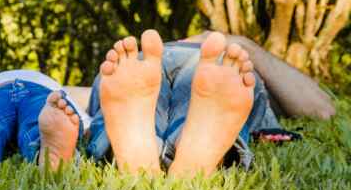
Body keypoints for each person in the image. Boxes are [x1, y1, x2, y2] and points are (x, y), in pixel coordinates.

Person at [86, 29, 335, 177]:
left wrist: (237, 42)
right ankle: (192, 148)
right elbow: (322, 108)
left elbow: (321, 109)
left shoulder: (124, 70)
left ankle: (136, 148)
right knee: (203, 100)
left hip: (142, 62)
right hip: (209, 61)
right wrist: (238, 44)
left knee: (128, 108)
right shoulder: (235, 70)